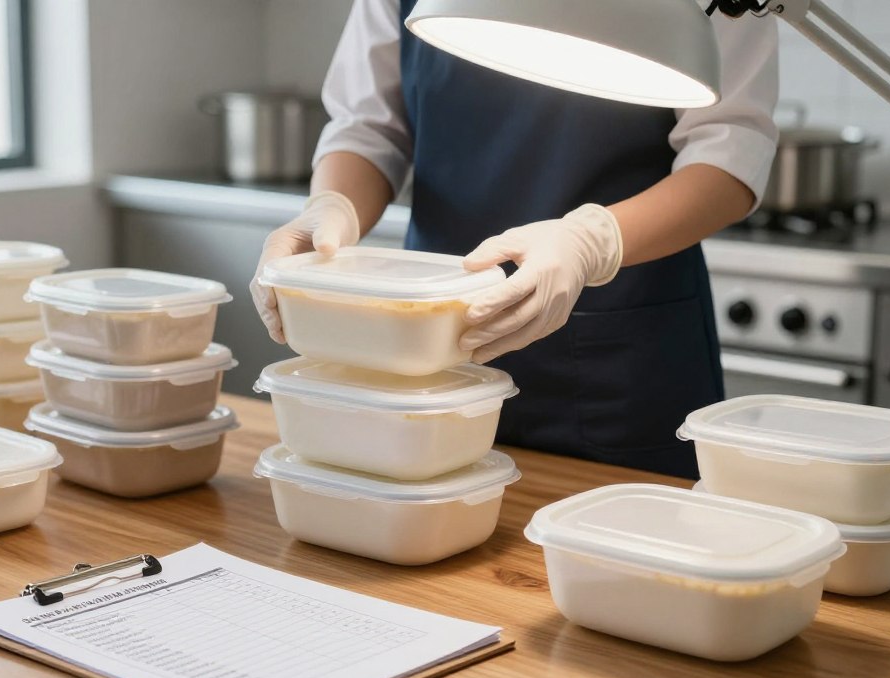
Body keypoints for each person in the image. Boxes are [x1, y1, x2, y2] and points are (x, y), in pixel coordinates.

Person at [251, 0, 779, 478]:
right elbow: (369, 127)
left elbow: (729, 156)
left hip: (622, 353)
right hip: (431, 339)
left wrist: (588, 241)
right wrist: (331, 209)